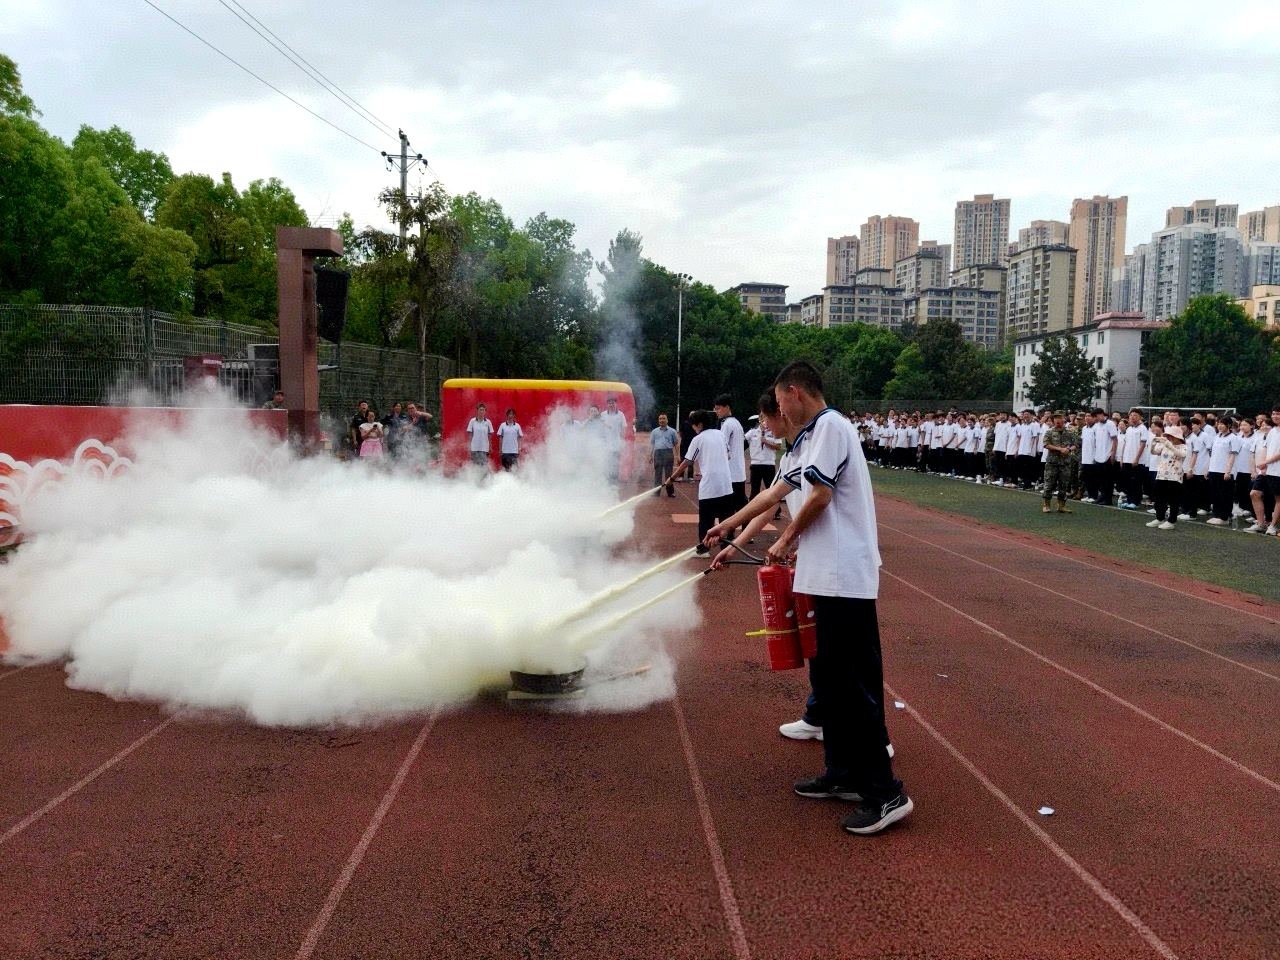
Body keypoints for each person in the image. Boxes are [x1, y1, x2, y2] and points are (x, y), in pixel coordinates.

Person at [767, 360, 911, 835]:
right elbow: (781, 490)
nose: (779, 409)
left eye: (779, 398)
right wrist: (729, 528)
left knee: (852, 687)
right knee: (829, 682)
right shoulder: (810, 438)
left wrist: (785, 538)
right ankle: (843, 772)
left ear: (794, 391)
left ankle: (885, 792)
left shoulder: (830, 427)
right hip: (823, 577)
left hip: (844, 577)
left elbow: (820, 497)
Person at [668, 410, 734, 554]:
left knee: (706, 520)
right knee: (726, 519)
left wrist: (672, 478)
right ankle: (727, 548)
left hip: (709, 487)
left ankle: (704, 549)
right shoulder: (720, 434)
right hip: (726, 485)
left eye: (694, 425)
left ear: (700, 424)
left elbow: (687, 462)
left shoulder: (698, 439)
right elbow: (728, 455)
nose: (693, 428)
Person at [1146, 421, 1187, 530]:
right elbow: (1154, 452)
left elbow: (1182, 454)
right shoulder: (1165, 445)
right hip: (1162, 475)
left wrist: (1170, 446)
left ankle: (1171, 521)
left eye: (1171, 436)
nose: (1169, 438)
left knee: (1173, 500)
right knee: (1160, 498)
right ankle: (1159, 517)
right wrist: (1153, 444)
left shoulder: (1182, 446)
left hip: (1175, 477)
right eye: (1168, 436)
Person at [1247, 405, 1280, 536]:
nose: (1275, 416)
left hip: (1278, 471)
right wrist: (1263, 466)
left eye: (1278, 414)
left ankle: (1272, 526)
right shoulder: (1272, 431)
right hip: (1267, 471)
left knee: (1278, 498)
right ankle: (1260, 523)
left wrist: (1265, 462)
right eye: (1274, 414)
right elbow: (1265, 448)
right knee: (1254, 493)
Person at [714, 394, 748, 512]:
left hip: (730, 472)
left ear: (727, 407)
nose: (716, 411)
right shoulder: (737, 423)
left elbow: (722, 447)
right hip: (738, 470)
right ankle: (744, 527)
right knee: (741, 503)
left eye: (718, 408)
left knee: (729, 506)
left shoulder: (727, 425)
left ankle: (732, 529)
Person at [1040, 411, 1075, 513]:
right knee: (1049, 484)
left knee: (1063, 485)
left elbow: (1075, 444)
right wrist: (1059, 449)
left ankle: (1061, 505)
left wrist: (1068, 449)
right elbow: (1046, 444)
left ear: (1064, 419)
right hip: (1052, 462)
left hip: (1065, 462)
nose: (1057, 420)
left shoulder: (1069, 432)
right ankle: (1046, 504)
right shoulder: (1049, 432)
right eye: (1055, 418)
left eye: (1060, 418)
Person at [745, 416, 782, 498]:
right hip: (756, 464)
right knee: (754, 489)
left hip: (768, 464)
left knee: (771, 488)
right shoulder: (752, 432)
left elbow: (778, 446)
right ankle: (754, 509)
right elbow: (742, 440)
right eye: (762, 420)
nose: (764, 422)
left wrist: (766, 442)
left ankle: (775, 510)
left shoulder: (773, 432)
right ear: (759, 420)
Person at [600, 396, 628, 484]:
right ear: (607, 405)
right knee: (607, 463)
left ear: (616, 404)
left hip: (616, 444)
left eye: (613, 403)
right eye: (609, 403)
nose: (611, 405)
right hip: (606, 444)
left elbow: (624, 428)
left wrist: (622, 441)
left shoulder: (621, 415)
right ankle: (606, 481)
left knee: (615, 463)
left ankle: (614, 482)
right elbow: (600, 427)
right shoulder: (603, 414)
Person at [649, 413, 680, 496]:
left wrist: (678, 455)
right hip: (658, 453)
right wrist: (650, 455)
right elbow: (652, 444)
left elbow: (676, 443)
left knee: (669, 474)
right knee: (658, 474)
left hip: (668, 453)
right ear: (658, 421)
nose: (662, 420)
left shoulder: (672, 431)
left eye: (663, 419)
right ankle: (656, 492)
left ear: (667, 420)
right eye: (660, 419)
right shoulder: (654, 432)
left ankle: (670, 492)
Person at [465, 402, 494, 468]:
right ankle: (475, 477)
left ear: (485, 411)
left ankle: (484, 478)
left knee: (484, 466)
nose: (482, 411)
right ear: (477, 411)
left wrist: (490, 447)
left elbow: (489, 436)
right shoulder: (472, 421)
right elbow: (470, 435)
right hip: (475, 447)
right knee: (475, 466)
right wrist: (469, 446)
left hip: (484, 448)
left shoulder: (488, 422)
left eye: (483, 410)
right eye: (480, 410)